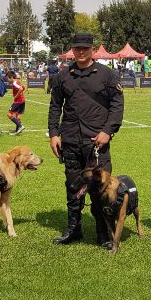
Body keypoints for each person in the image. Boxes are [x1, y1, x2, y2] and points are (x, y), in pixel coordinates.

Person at [48, 33, 124, 246]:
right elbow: (55, 106)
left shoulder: (106, 75)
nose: (81, 52)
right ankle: (74, 230)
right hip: (70, 139)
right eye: (77, 48)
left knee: (100, 189)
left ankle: (103, 234)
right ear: (72, 49)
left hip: (96, 142)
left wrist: (108, 131)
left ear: (92, 49)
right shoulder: (63, 76)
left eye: (85, 48)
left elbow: (117, 106)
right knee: (73, 187)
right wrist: (54, 133)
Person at [6, 70, 26, 135]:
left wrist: (16, 96)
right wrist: (21, 94)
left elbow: (21, 89)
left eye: (8, 78)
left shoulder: (14, 83)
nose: (8, 80)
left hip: (18, 101)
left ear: (11, 77)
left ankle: (20, 126)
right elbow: (23, 88)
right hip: (22, 100)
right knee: (17, 115)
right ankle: (17, 131)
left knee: (9, 114)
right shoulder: (18, 82)